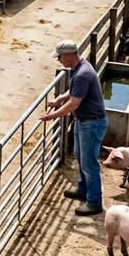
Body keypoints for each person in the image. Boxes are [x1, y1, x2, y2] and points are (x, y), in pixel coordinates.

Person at [41, 39, 107, 216]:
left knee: (89, 163)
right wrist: (59, 99)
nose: (59, 61)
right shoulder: (80, 68)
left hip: (91, 123)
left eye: (60, 57)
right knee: (80, 156)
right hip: (84, 121)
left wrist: (52, 116)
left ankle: (94, 202)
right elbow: (74, 91)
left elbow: (74, 104)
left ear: (69, 55)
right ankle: (82, 189)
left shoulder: (82, 73)